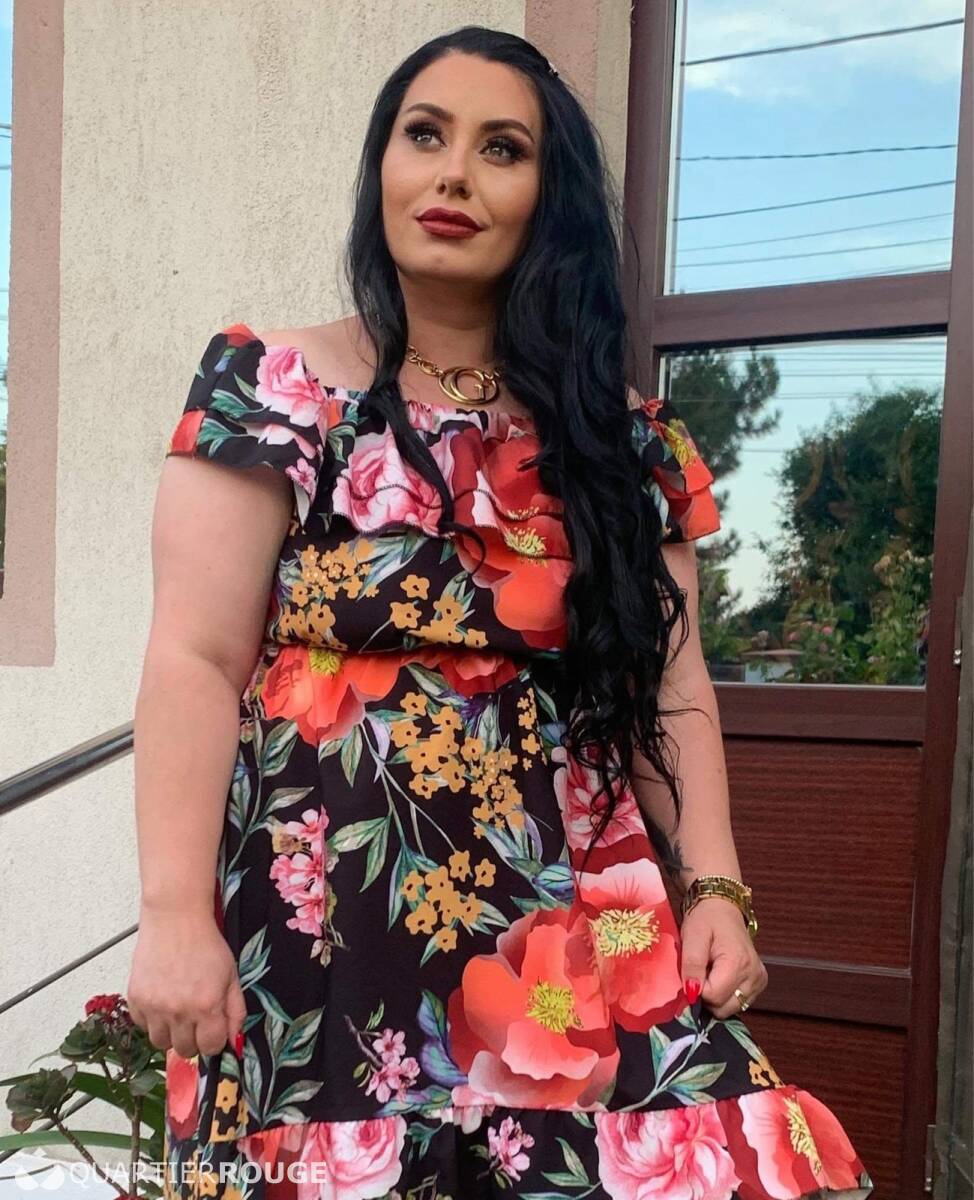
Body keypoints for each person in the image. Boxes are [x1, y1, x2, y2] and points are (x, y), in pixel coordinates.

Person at [128, 25, 875, 1200]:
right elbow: (193, 658)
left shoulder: (619, 442)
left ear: (547, 197)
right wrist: (174, 912)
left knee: (695, 1152)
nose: (453, 174)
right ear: (381, 164)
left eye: (501, 149)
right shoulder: (275, 392)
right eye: (424, 135)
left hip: (581, 918)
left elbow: (670, 684)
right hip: (327, 917)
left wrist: (715, 888)